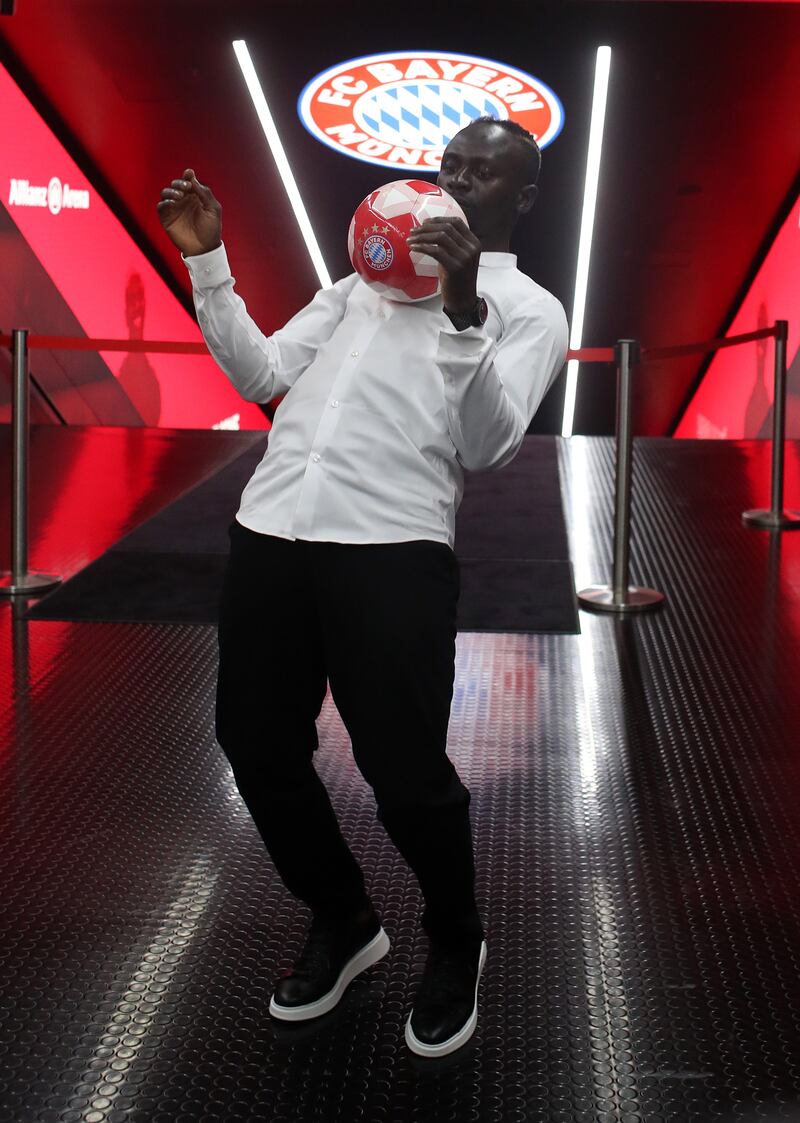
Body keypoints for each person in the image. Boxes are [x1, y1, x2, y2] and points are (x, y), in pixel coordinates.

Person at [157, 116, 568, 1058]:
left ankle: (457, 940)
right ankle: (343, 918)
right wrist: (209, 262)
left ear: (523, 197)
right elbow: (262, 374)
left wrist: (465, 310)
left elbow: (489, 445)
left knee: (405, 776)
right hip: (272, 531)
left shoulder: (527, 308)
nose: (456, 186)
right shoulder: (359, 281)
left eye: (483, 175)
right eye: (448, 166)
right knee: (254, 746)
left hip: (392, 552)